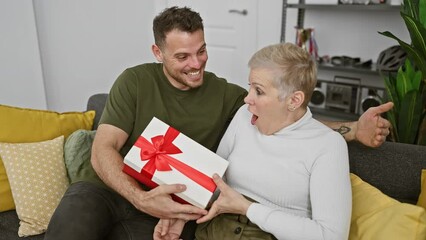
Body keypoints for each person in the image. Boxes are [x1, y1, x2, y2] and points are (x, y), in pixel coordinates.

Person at [45, 6, 392, 240]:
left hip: (170, 207)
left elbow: (287, 116)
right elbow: (102, 149)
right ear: (158, 53)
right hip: (110, 192)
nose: (196, 64)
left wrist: (351, 130)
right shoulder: (134, 81)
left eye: (201, 50)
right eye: (182, 56)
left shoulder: (233, 99)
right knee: (72, 222)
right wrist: (140, 198)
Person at [154, 42, 352, 240]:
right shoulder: (243, 116)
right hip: (215, 230)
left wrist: (247, 208)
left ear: (294, 100)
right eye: (250, 87)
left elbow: (331, 236)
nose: (247, 99)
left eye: (259, 91)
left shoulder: (327, 145)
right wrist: (182, 213)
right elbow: (214, 180)